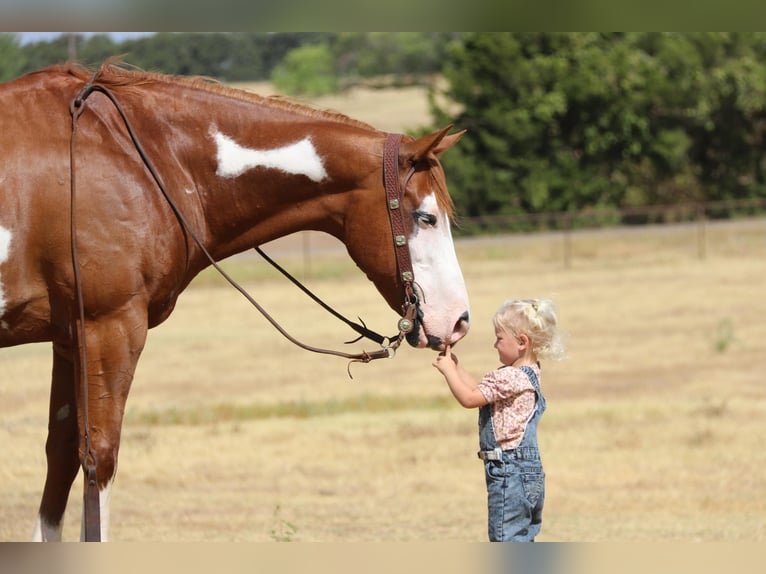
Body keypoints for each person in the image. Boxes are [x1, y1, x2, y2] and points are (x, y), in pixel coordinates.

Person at [432, 298, 565, 542]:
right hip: (530, 473)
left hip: (508, 472)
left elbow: (470, 398)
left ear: (522, 342)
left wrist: (449, 372)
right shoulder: (529, 373)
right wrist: (458, 368)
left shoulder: (508, 378)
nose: (495, 345)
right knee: (522, 537)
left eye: (499, 338)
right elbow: (482, 394)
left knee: (506, 539)